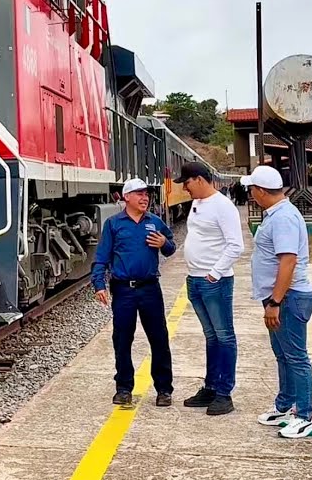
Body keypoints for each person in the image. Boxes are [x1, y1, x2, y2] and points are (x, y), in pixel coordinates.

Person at [243, 165, 312, 439]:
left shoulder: (283, 218)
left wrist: (275, 301)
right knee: (283, 355)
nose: (250, 194)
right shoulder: (275, 214)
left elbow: (288, 261)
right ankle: (285, 405)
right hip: (280, 298)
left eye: (252, 189)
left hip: (289, 298)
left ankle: (304, 417)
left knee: (296, 357)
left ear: (261, 191)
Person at [92, 178, 177, 407]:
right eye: (139, 194)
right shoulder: (113, 224)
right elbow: (102, 256)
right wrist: (99, 284)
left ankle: (163, 389)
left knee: (159, 338)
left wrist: (164, 244)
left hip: (150, 288)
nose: (145, 198)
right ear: (126, 197)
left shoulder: (155, 222)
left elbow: (171, 247)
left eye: (147, 194)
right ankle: (123, 388)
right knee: (122, 339)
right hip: (123, 291)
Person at [176, 162, 245, 416]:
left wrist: (215, 273)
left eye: (187, 182)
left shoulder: (223, 206)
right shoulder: (197, 204)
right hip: (195, 280)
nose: (184, 187)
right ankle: (211, 386)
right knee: (211, 336)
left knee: (224, 336)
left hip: (215, 282)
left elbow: (235, 245)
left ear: (200, 179)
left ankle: (224, 393)